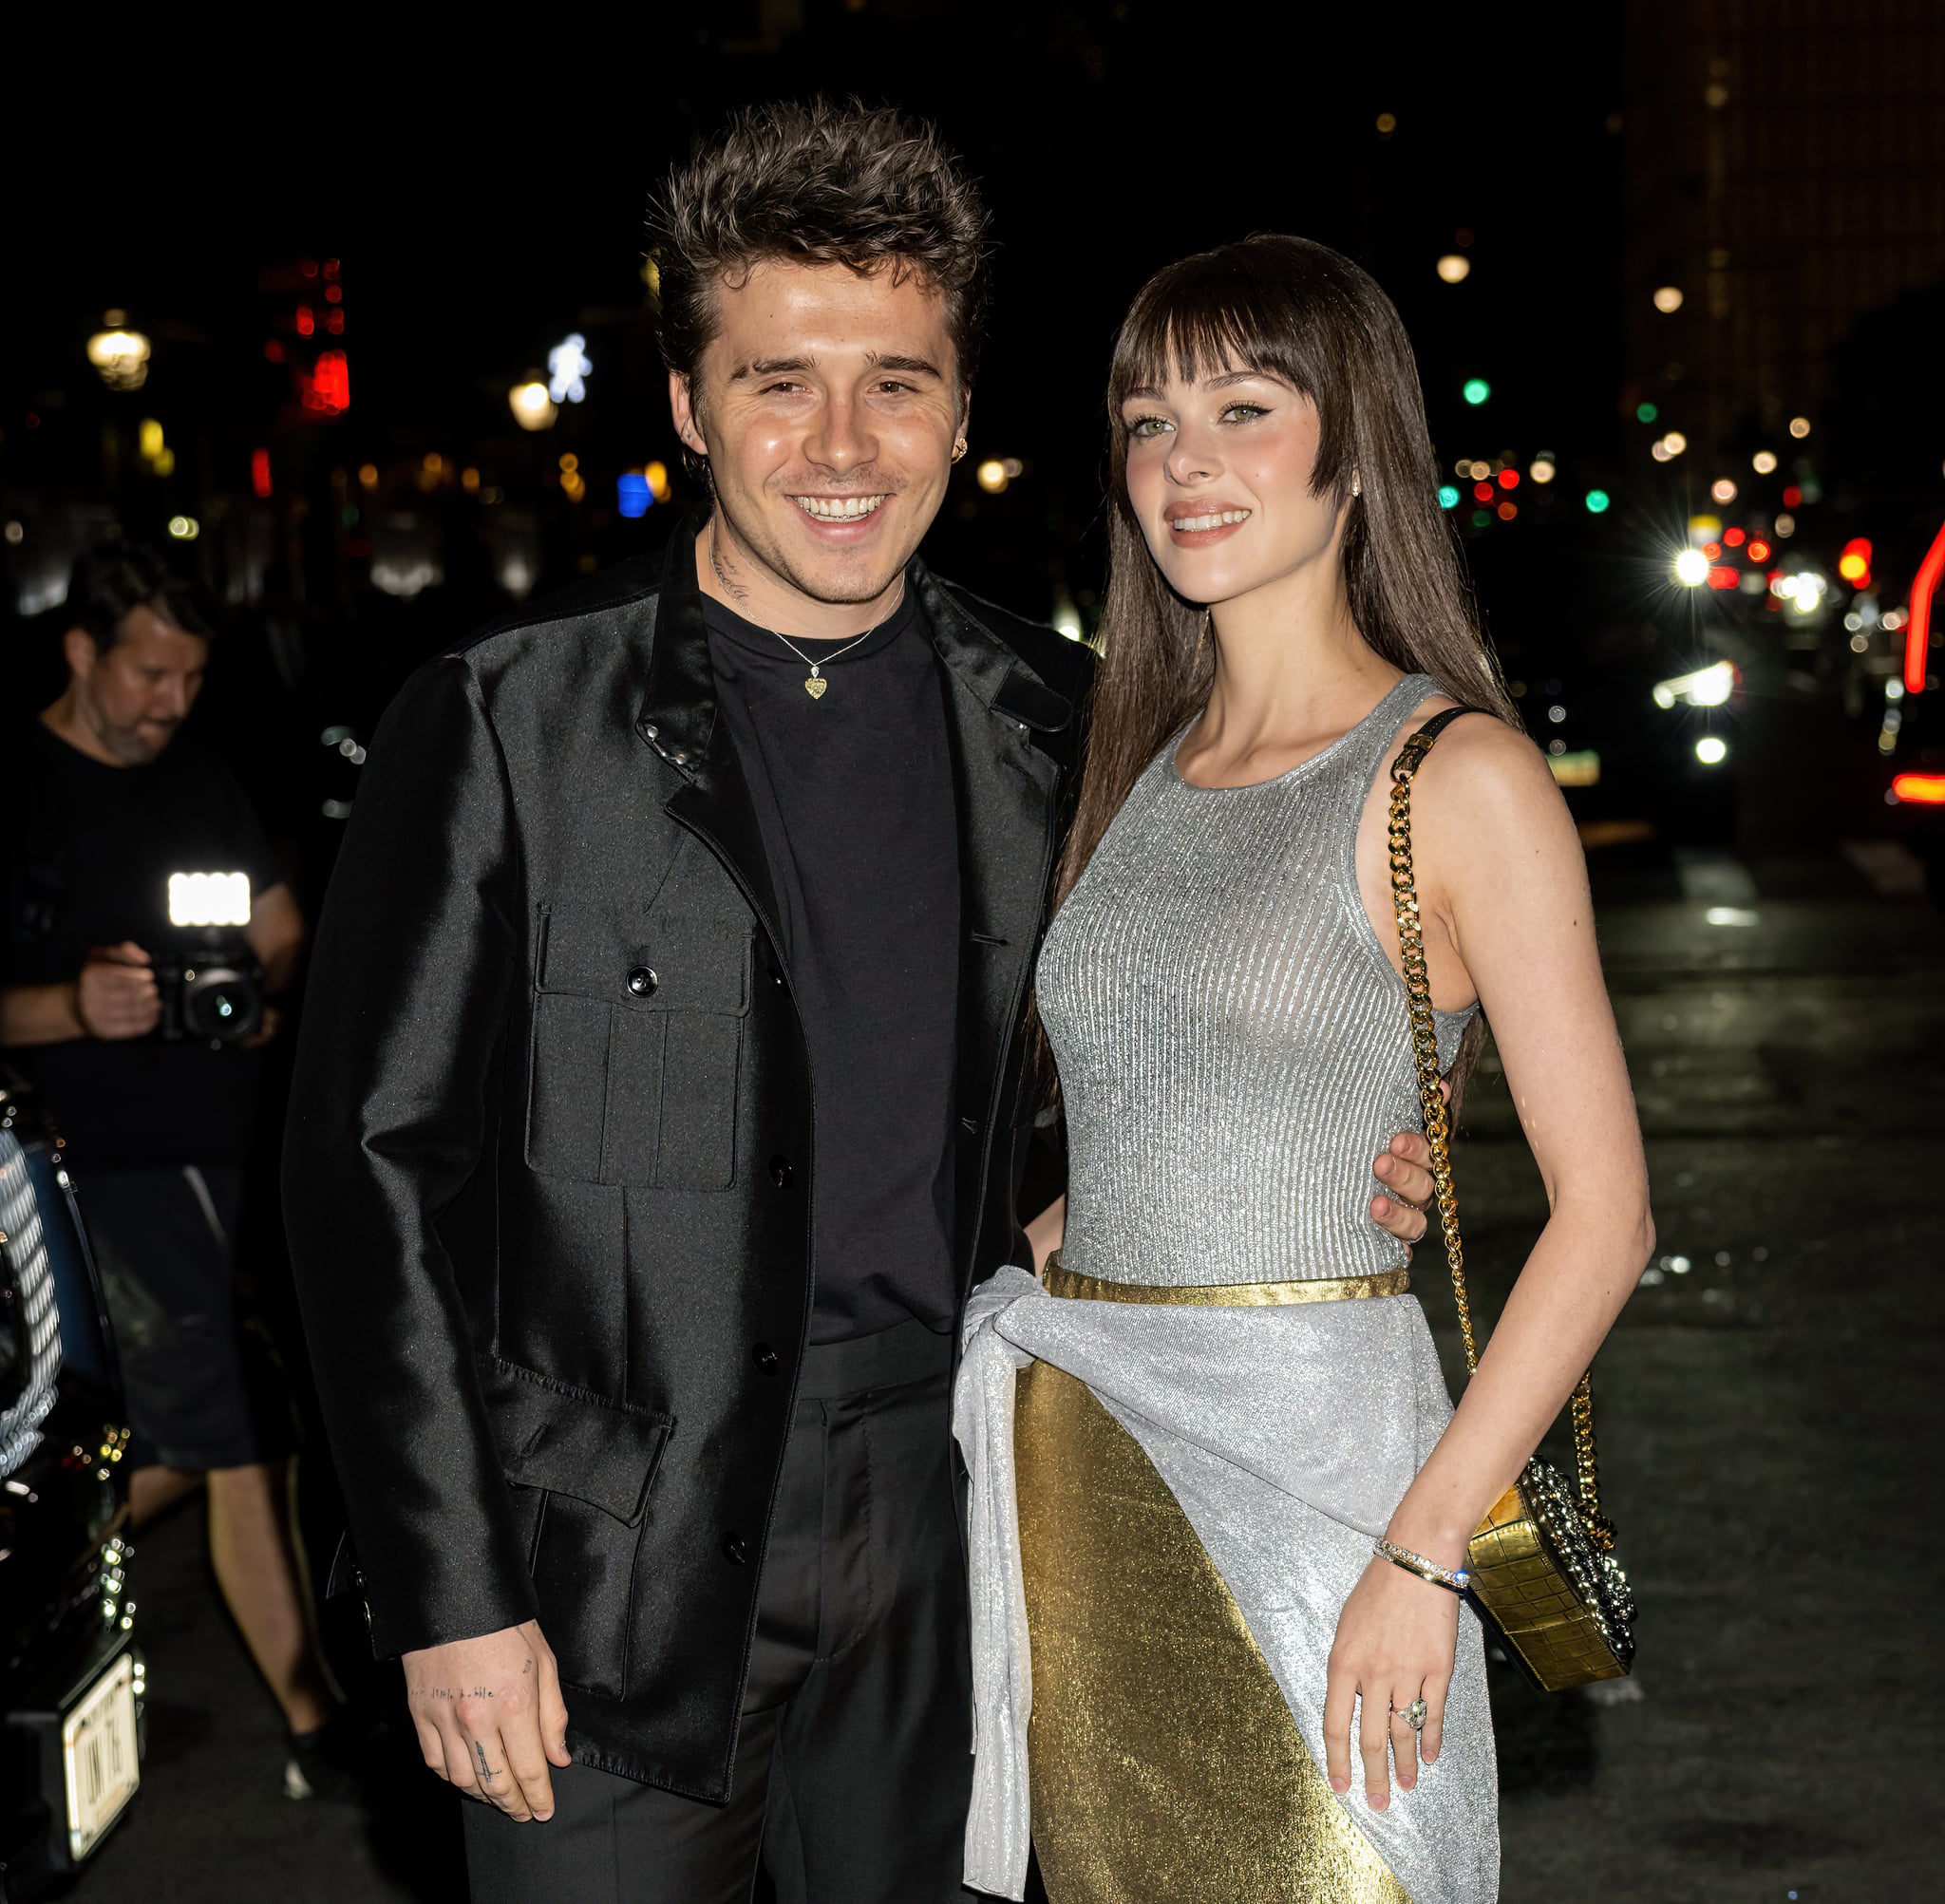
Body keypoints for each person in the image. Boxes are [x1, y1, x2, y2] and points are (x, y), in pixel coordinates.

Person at [281, 104, 1443, 1904]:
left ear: (965, 412)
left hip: (964, 1510)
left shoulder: (1068, 725)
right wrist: (450, 1596)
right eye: (778, 382)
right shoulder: (507, 719)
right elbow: (369, 1173)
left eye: (897, 384)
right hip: (605, 1566)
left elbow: (1145, 1064)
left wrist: (1337, 1162)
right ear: (685, 403)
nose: (842, 446)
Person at [954, 235, 1655, 1904]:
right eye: (1145, 420)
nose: (1182, 462)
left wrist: (1425, 1551)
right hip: (1088, 1471)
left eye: (1241, 409)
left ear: (1353, 456)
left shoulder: (1454, 772)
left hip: (1327, 1483)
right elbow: (1152, 1101)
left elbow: (1608, 1213)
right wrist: (1048, 1242)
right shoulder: (1128, 764)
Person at [0, 544, 356, 1800]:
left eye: (194, 676)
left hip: (222, 1158)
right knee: (225, 1432)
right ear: (80, 650)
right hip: (77, 1172)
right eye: (149, 671)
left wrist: (254, 992)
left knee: (218, 1433)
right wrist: (66, 1005)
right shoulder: (18, 788)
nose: (170, 701)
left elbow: (281, 930)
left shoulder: (202, 779)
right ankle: (315, 1718)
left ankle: (315, 1717)